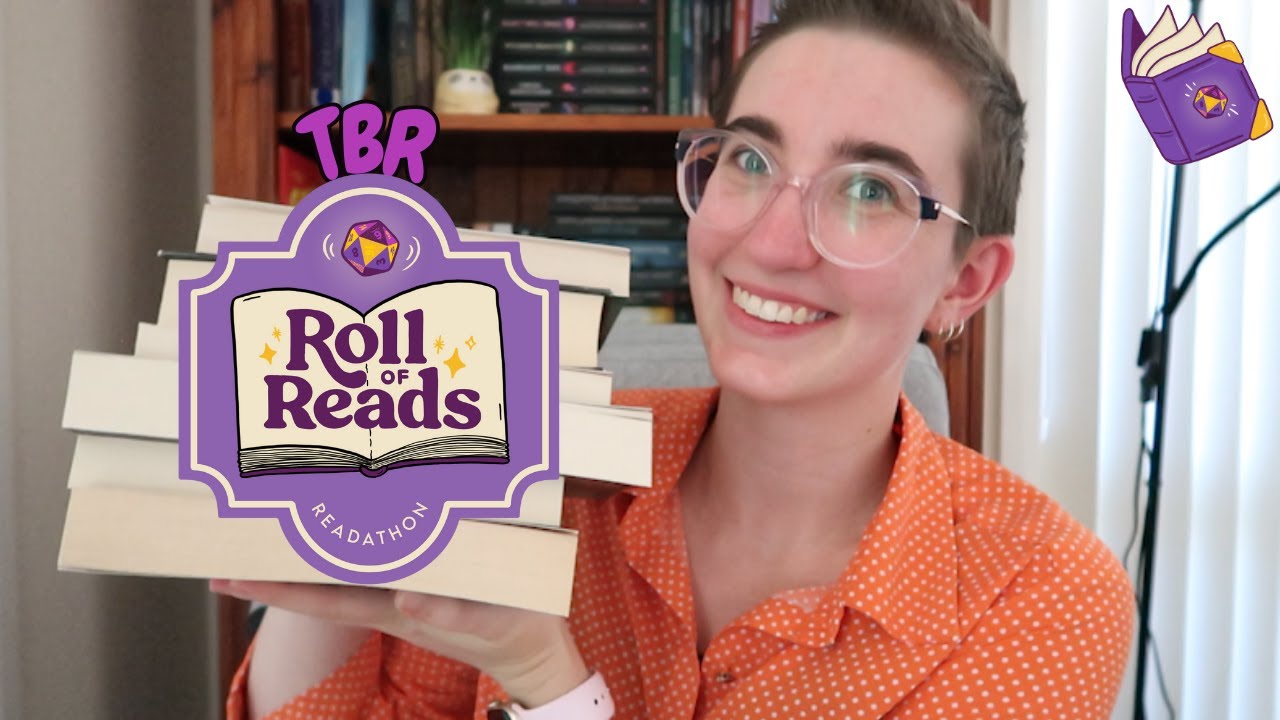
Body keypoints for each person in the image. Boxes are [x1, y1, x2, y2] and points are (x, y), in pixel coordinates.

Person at [216, 0, 1135, 717]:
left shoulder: (1045, 595)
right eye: (750, 160)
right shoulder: (538, 462)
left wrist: (543, 675)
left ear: (966, 281)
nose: (771, 243)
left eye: (869, 190)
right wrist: (329, 480)